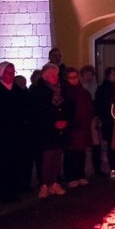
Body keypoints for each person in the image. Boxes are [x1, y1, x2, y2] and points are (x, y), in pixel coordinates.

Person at [0, 62, 29, 202]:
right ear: (1, 73)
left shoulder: (17, 91)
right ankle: (3, 192)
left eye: (13, 72)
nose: (11, 76)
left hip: (16, 133)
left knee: (15, 162)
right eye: (8, 73)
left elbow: (24, 109)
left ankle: (13, 189)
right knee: (2, 164)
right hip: (1, 135)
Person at [32, 63, 71, 198]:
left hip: (60, 129)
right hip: (46, 130)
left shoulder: (61, 89)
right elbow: (38, 111)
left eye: (56, 75)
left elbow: (67, 106)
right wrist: (53, 122)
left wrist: (64, 120)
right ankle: (44, 184)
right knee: (47, 157)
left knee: (57, 156)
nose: (55, 77)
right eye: (52, 75)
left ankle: (54, 182)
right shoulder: (39, 90)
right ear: (46, 76)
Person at [63, 68, 94, 188]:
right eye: (71, 78)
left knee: (81, 152)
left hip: (83, 127)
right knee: (70, 153)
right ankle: (70, 176)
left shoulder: (83, 92)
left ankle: (80, 174)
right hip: (71, 127)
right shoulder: (64, 92)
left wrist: (86, 119)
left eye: (75, 77)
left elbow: (89, 108)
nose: (74, 80)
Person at [95, 66, 115, 180]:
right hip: (109, 121)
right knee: (112, 146)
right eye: (114, 74)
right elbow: (100, 106)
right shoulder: (102, 89)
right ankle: (112, 168)